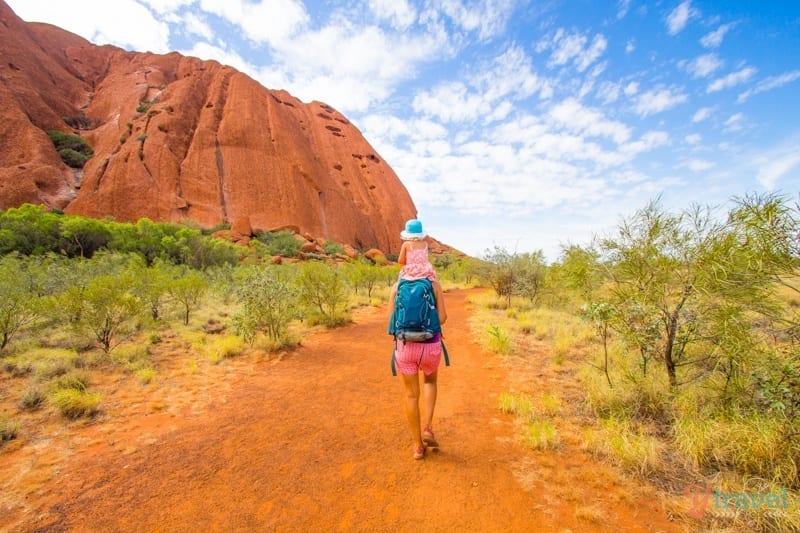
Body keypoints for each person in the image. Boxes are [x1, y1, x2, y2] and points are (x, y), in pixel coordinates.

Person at [388, 264, 448, 460]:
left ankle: (418, 447)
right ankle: (428, 428)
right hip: (430, 346)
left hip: (405, 347)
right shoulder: (434, 284)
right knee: (430, 381)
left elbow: (391, 321)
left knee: (411, 395)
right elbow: (442, 318)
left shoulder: (397, 287)